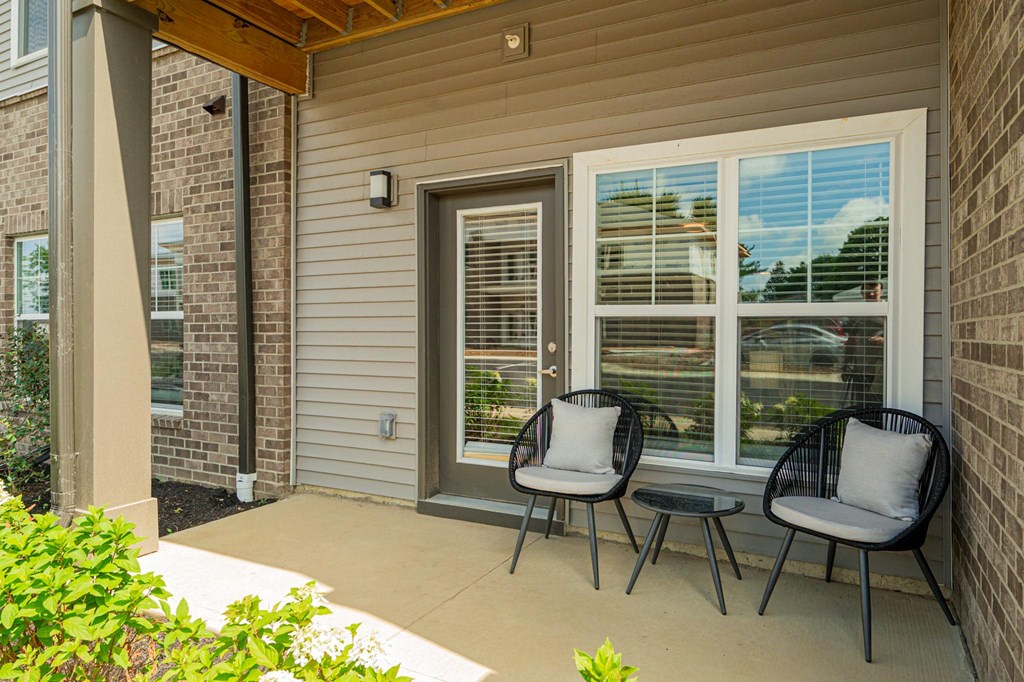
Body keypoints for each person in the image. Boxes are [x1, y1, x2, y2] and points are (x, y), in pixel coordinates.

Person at [842, 281, 885, 408]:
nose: (871, 294)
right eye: (867, 291)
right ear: (862, 293)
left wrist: (883, 340)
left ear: (881, 292)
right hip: (860, 368)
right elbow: (851, 340)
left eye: (875, 291)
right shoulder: (857, 313)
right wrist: (846, 364)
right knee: (860, 405)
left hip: (881, 368)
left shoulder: (888, 311)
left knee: (879, 403)